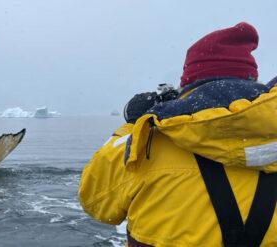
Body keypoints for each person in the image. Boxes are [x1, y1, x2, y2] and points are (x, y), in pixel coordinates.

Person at [78, 22, 277, 246]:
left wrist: (133, 125)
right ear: (252, 80)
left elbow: (94, 201)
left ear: (189, 84)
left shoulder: (145, 144)